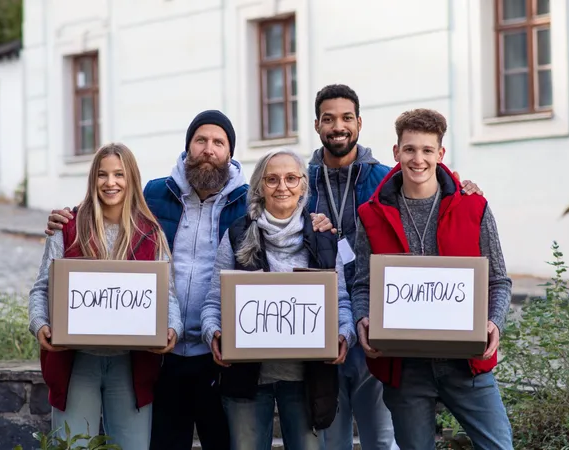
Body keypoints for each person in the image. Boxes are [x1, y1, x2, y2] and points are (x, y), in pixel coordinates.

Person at [44, 110, 333, 449]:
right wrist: (67, 217)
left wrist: (316, 221)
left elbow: (283, 214)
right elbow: (110, 201)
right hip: (163, 353)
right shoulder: (154, 194)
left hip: (219, 357)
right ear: (188, 148)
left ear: (230, 153)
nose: (209, 149)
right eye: (201, 140)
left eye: (218, 142)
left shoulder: (247, 205)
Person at [308, 84, 483, 450]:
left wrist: (464, 189)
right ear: (317, 125)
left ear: (358, 122)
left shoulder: (387, 179)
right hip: (320, 325)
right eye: (328, 119)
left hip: (380, 324)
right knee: (328, 434)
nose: (337, 126)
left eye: (345, 118)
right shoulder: (300, 182)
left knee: (381, 437)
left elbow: (433, 190)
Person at [352, 109, 513, 450]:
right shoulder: (370, 214)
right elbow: (363, 283)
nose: (418, 159)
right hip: (405, 367)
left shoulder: (475, 207)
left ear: (440, 154)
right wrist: (362, 318)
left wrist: (494, 323)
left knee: (499, 446)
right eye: (410, 149)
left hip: (466, 364)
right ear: (396, 152)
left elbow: (498, 280)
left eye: (427, 150)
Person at [28, 143, 183, 449]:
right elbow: (42, 287)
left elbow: (169, 295)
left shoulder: (150, 233)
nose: (110, 182)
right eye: (102, 175)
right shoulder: (68, 227)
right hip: (76, 362)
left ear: (132, 180)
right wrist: (39, 322)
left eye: (118, 174)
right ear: (92, 179)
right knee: (73, 444)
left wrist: (172, 328)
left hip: (131, 364)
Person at [201, 148, 356, 450]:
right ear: (259, 186)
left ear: (303, 186)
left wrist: (343, 335)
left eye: (290, 178)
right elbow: (213, 303)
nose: (282, 186)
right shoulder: (237, 235)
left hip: (307, 380)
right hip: (247, 379)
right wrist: (213, 333)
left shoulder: (325, 239)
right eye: (272, 179)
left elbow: (342, 303)